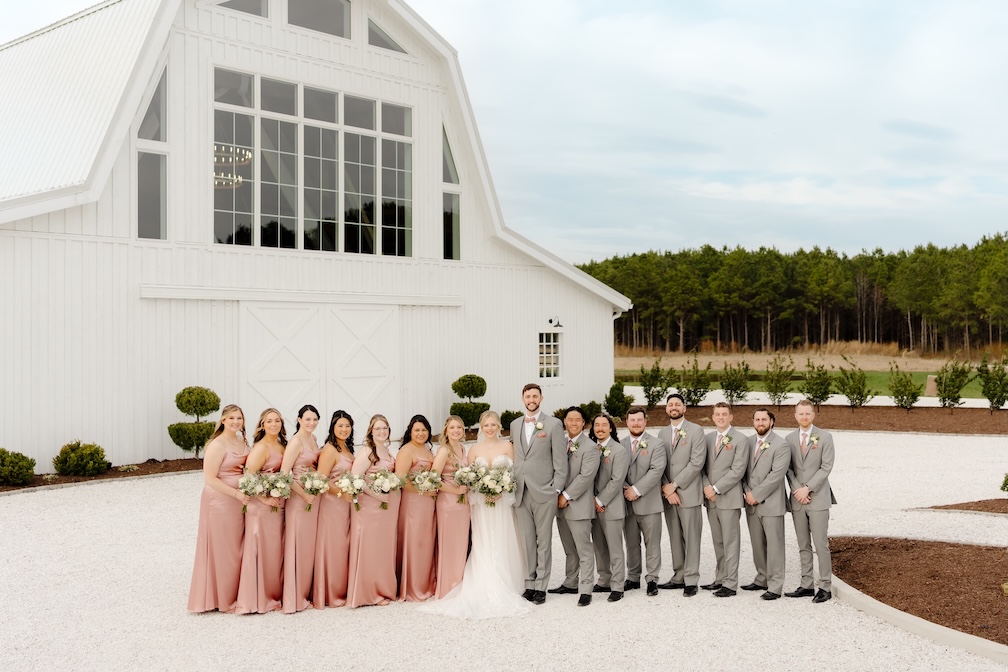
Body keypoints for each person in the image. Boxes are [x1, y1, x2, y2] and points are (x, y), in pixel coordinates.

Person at [420, 410, 528, 619]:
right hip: (481, 505)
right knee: (483, 541)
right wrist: (484, 490)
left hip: (502, 503)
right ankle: (483, 578)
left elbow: (514, 474)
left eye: (493, 425)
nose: (490, 428)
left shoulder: (507, 447)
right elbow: (469, 478)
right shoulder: (473, 450)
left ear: (498, 426)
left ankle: (509, 580)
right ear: (480, 427)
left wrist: (501, 490)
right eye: (486, 425)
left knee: (504, 538)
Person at [188, 404, 250, 613]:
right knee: (222, 548)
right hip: (220, 501)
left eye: (239, 418)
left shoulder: (242, 441)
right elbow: (209, 478)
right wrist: (237, 494)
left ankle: (234, 592)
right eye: (231, 418)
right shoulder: (217, 444)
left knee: (236, 547)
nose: (235, 422)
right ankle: (222, 599)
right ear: (223, 420)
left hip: (239, 501)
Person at [509, 383, 567, 605]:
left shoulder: (553, 424)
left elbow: (560, 461)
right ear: (522, 398)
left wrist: (556, 489)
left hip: (544, 492)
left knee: (543, 541)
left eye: (535, 396)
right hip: (520, 491)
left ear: (541, 398)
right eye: (527, 396)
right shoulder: (515, 424)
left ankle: (541, 586)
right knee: (527, 542)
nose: (531, 399)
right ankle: (529, 583)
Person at [785, 399, 837, 603]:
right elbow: (787, 468)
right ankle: (806, 584)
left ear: (813, 415)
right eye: (801, 414)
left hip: (818, 498)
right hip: (798, 499)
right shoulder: (788, 439)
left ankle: (825, 586)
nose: (804, 417)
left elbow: (826, 467)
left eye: (808, 413)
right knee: (803, 544)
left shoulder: (825, 437)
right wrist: (798, 490)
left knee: (820, 544)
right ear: (795, 415)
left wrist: (808, 488)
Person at [235, 408, 287, 614]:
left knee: (274, 550)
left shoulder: (282, 445)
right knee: (260, 548)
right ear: (262, 425)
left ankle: (274, 594)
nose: (273, 425)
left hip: (277, 502)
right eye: (269, 421)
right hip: (261, 506)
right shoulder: (261, 448)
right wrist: (264, 498)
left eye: (277, 421)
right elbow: (248, 476)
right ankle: (256, 598)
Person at [346, 414, 400, 608]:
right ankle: (368, 593)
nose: (381, 431)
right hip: (370, 506)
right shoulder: (368, 451)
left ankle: (381, 588)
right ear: (371, 431)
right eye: (377, 429)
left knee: (381, 547)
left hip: (385, 508)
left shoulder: (386, 449)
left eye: (384, 428)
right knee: (369, 547)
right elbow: (355, 478)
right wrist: (377, 495)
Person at [656, 393, 706, 597]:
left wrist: (675, 485)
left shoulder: (696, 430)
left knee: (692, 537)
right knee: (675, 537)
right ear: (667, 409)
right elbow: (659, 464)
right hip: (669, 495)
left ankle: (691, 579)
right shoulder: (661, 434)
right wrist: (667, 489)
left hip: (688, 493)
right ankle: (678, 575)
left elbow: (697, 462)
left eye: (677, 404)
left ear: (684, 408)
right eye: (670, 404)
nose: (674, 407)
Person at [550, 406, 600, 606]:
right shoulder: (560, 443)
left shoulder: (590, 447)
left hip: (578, 505)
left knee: (584, 549)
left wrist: (566, 496)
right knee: (569, 548)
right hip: (560, 506)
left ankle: (586, 588)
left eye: (577, 420)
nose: (573, 423)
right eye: (570, 419)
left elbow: (586, 477)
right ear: (564, 422)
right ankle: (571, 581)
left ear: (583, 423)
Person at [742, 408, 790, 601]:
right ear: (753, 422)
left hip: (771, 503)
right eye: (757, 419)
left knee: (775, 545)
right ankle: (762, 577)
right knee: (757, 544)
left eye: (764, 419)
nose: (760, 422)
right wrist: (747, 491)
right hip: (751, 501)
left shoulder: (781, 445)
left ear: (772, 421)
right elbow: (742, 470)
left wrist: (757, 494)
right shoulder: (748, 442)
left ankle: (776, 585)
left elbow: (777, 475)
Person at [701, 402, 748, 597]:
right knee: (718, 541)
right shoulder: (708, 438)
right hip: (710, 499)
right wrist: (706, 487)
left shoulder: (740, 439)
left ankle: (730, 583)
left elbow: (738, 471)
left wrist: (716, 488)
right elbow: (701, 467)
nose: (720, 417)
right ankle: (720, 577)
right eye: (717, 414)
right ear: (713, 417)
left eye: (724, 414)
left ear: (731, 417)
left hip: (728, 498)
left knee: (730, 541)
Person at [622, 405, 666, 597]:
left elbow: (656, 471)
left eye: (640, 420)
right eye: (632, 420)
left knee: (652, 542)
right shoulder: (619, 444)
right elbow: (613, 472)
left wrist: (636, 489)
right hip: (626, 502)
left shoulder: (656, 444)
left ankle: (652, 579)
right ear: (627, 422)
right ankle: (632, 577)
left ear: (645, 422)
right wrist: (626, 488)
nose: (636, 423)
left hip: (649, 502)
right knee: (631, 543)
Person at [281, 404, 321, 613]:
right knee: (297, 543)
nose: (311, 423)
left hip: (312, 496)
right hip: (298, 498)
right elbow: (284, 473)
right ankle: (293, 596)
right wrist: (303, 493)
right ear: (298, 420)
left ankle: (306, 590)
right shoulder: (295, 442)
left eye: (315, 419)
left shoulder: (313, 439)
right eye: (307, 419)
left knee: (308, 545)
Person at [313, 410, 355, 608]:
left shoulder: (346, 447)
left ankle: (343, 587)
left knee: (344, 545)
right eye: (340, 426)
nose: (344, 429)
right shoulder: (330, 449)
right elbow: (322, 479)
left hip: (346, 504)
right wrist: (341, 493)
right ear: (332, 428)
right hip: (333, 503)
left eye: (347, 426)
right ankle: (330, 592)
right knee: (333, 545)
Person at [395, 414, 438, 601]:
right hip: (413, 503)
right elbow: (401, 479)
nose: (421, 433)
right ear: (410, 432)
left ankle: (426, 582)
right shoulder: (407, 450)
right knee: (415, 542)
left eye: (424, 430)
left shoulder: (429, 450)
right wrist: (423, 492)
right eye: (417, 430)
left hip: (429, 503)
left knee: (426, 542)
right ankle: (413, 586)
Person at [589, 413, 629, 602]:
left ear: (611, 428)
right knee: (599, 546)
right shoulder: (590, 449)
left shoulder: (619, 450)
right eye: (597, 425)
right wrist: (591, 501)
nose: (600, 428)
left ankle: (618, 585)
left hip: (611, 506)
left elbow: (617, 480)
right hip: (592, 506)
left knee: (614, 547)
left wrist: (600, 501)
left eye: (604, 425)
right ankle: (604, 579)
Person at [431, 415, 471, 598]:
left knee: (461, 543)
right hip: (448, 503)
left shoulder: (463, 448)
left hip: (463, 505)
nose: (456, 430)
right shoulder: (444, 451)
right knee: (449, 543)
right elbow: (433, 479)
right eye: (452, 427)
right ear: (446, 431)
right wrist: (455, 491)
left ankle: (460, 581)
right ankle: (448, 586)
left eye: (459, 427)